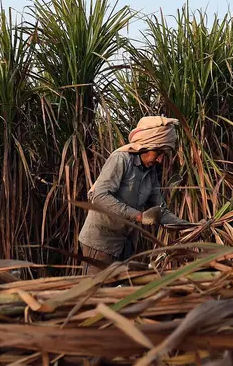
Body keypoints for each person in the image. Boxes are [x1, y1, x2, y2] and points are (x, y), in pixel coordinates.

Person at [78, 116, 190, 274]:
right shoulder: (121, 160)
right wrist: (138, 216)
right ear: (144, 146)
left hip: (126, 243)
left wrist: (188, 227)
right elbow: (100, 196)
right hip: (101, 242)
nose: (159, 159)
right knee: (97, 294)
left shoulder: (150, 172)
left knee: (121, 291)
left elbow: (160, 209)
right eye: (157, 152)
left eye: (164, 155)